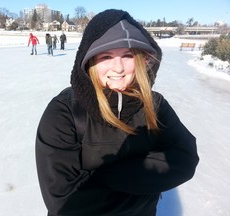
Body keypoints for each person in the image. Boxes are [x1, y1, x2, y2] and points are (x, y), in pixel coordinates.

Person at [36, 9, 199, 216]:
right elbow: (64, 199)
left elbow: (185, 159)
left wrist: (106, 177)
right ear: (90, 61)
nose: (119, 68)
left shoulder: (154, 104)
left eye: (128, 55)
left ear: (141, 59)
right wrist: (145, 188)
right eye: (106, 56)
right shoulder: (65, 111)